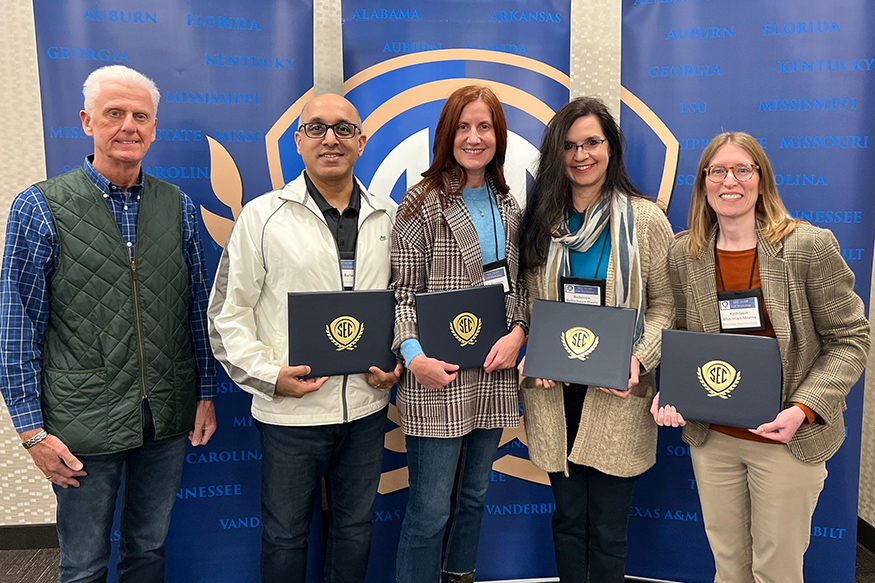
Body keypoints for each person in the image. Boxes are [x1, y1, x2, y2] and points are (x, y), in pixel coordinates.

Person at [0, 65, 217, 582]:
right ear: (86, 121)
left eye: (141, 116)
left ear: (155, 128)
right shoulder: (41, 206)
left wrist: (205, 391)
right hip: (80, 424)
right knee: (83, 562)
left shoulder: (179, 207)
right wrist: (31, 431)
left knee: (148, 551)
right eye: (113, 113)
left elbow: (195, 310)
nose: (129, 127)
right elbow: (16, 326)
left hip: (164, 415)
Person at [651, 131, 869, 583]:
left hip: (787, 439)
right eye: (717, 171)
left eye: (742, 169)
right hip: (714, 439)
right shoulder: (683, 252)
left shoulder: (807, 246)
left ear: (761, 180)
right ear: (703, 183)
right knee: (728, 567)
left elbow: (851, 339)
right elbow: (678, 333)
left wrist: (803, 408)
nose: (729, 181)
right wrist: (667, 391)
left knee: (777, 571)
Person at [208, 92, 401, 583]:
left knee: (355, 528)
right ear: (298, 141)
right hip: (290, 413)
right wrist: (271, 377)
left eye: (343, 128)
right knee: (285, 534)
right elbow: (226, 315)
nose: (330, 138)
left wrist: (396, 360)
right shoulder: (261, 216)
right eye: (316, 128)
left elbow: (404, 303)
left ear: (362, 141)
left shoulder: (390, 215)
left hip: (366, 408)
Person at [517, 96, 674, 583]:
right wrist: (532, 351)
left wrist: (639, 357)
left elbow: (669, 307)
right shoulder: (540, 223)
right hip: (554, 391)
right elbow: (527, 303)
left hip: (619, 391)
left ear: (611, 147)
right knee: (566, 521)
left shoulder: (646, 220)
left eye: (593, 142)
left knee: (608, 528)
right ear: (555, 154)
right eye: (569, 145)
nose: (582, 154)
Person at [391, 85, 529, 583]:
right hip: (438, 378)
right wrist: (413, 356)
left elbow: (521, 287)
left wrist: (519, 331)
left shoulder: (511, 205)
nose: (474, 137)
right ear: (447, 134)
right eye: (464, 127)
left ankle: (461, 576)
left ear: (499, 136)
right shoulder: (420, 204)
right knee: (430, 512)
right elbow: (401, 293)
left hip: (494, 374)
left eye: (485, 127)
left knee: (472, 498)